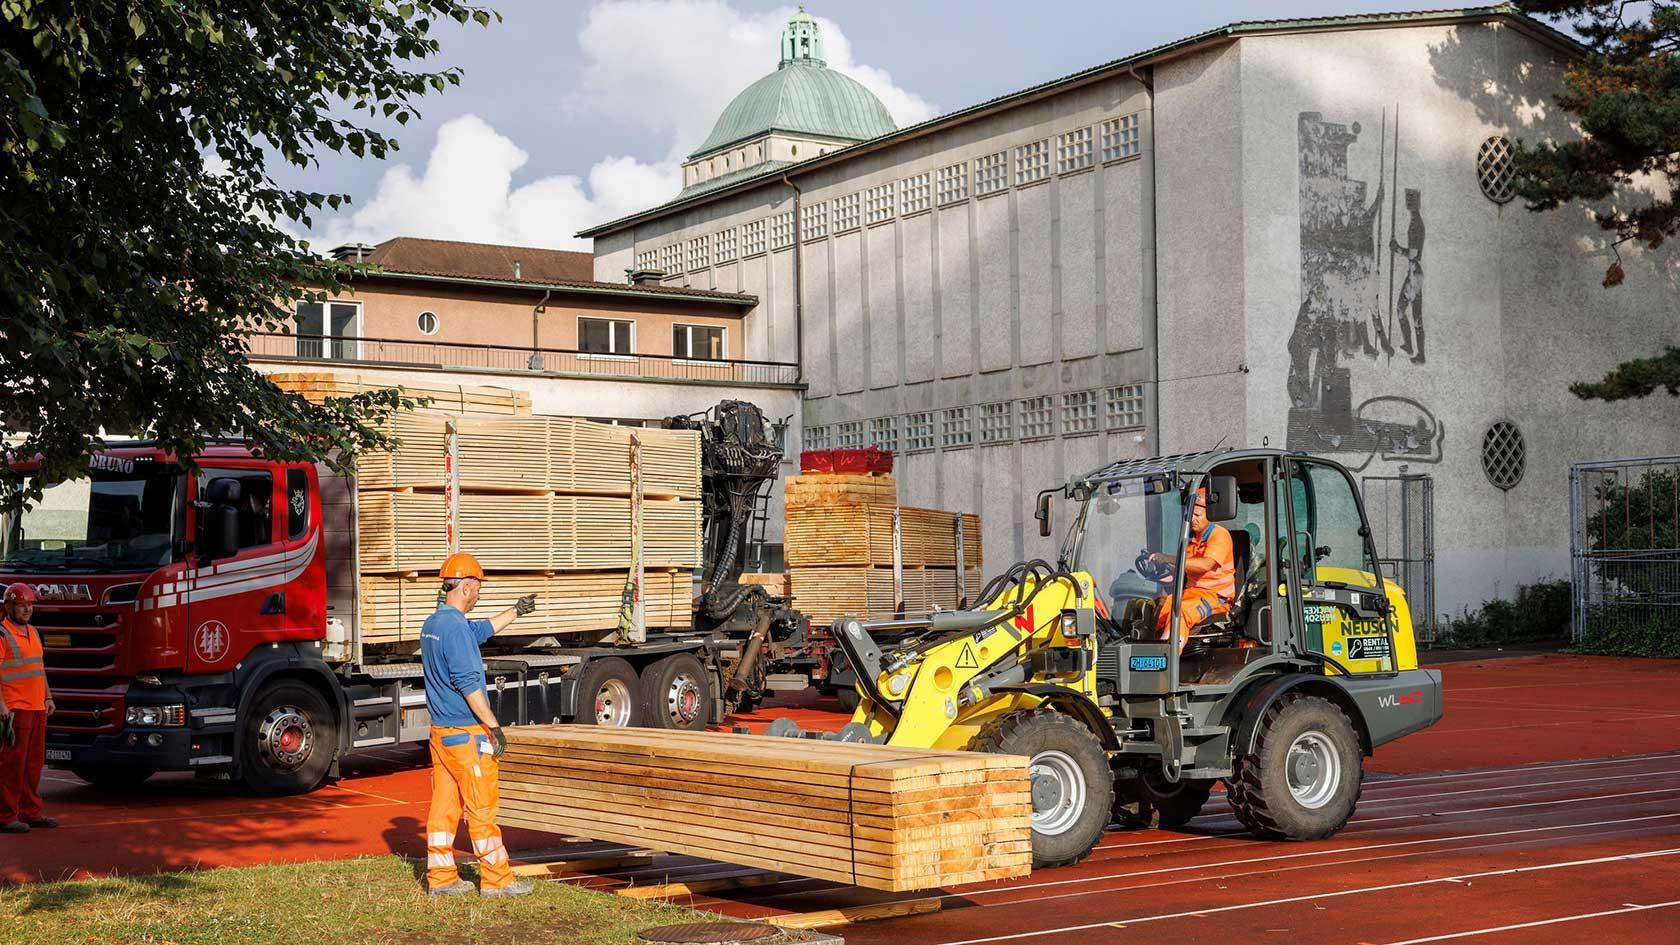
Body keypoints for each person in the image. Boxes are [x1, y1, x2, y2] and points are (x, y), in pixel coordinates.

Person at [421, 552, 537, 898]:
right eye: (478, 588)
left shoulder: (435, 624)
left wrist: (516, 610)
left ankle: (441, 879)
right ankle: (497, 880)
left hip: (441, 734)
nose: (479, 595)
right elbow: (470, 685)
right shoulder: (455, 630)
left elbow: (483, 630)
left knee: (444, 808)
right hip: (468, 735)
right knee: (482, 808)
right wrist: (494, 727)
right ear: (467, 587)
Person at [1147, 490, 1236, 650]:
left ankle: (1166, 660)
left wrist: (1169, 558)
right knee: (1157, 612)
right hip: (1191, 594)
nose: (1193, 519)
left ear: (1210, 514)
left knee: (1180, 614)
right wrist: (1154, 575)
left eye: (1197, 515)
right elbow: (1180, 573)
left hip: (1215, 598)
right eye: (1190, 515)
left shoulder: (1219, 535)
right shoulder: (1191, 540)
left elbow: (1205, 565)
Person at [0, 583, 55, 834]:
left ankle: (30, 812)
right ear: (9, 606)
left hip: (36, 708)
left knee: (33, 764)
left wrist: (48, 697)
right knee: (12, 765)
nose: (27, 610)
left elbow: (39, 668)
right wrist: (2, 706)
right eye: (22, 605)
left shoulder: (33, 631)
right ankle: (5, 816)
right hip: (15, 709)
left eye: (30, 605)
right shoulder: (2, 634)